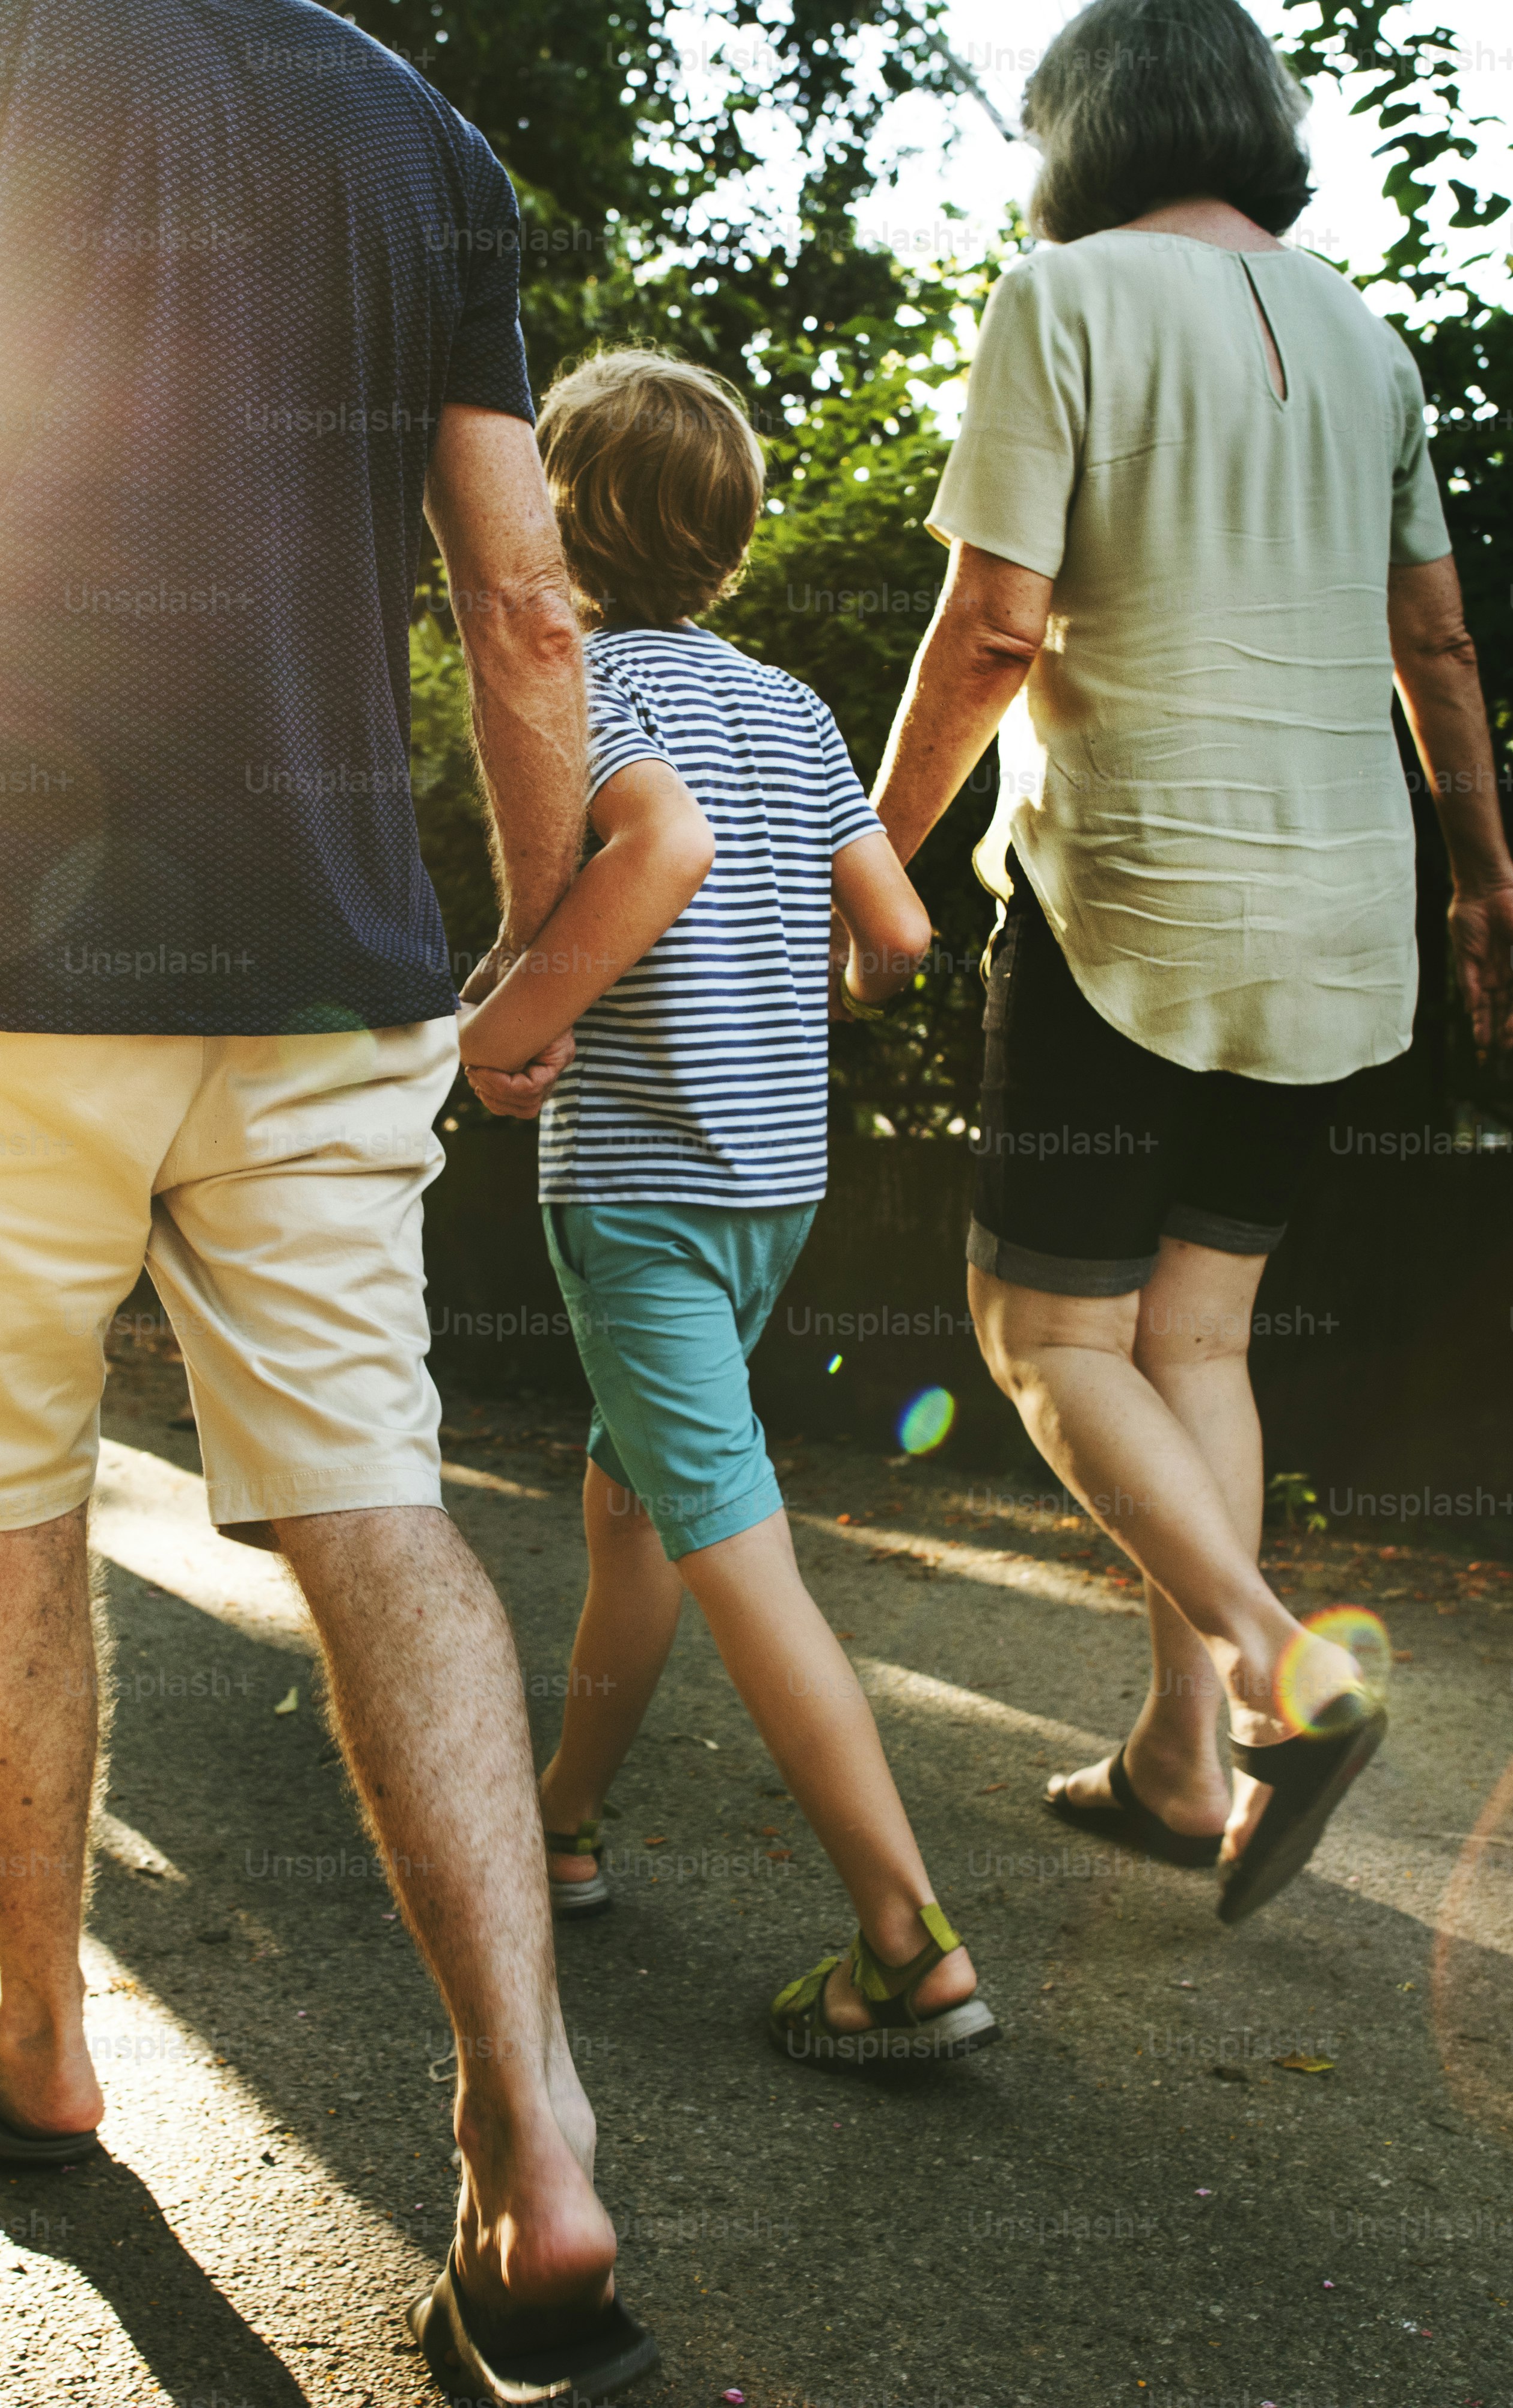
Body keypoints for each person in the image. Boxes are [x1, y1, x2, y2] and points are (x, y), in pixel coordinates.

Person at [0, 3, 646, 2395]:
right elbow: (523, 596)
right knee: (372, 1503)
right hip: (327, 951)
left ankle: (41, 2044)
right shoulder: (415, 131)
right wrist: (530, 940)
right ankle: (535, 2151)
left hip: (6, 942)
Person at [868, 0, 1513, 1923]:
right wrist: (1485, 882)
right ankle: (1177, 1761)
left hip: (1128, 895)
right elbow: (1442, 645)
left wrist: (869, 847)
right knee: (1198, 1337)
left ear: (1083, 128)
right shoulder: (1364, 332)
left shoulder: (1062, 294)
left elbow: (996, 624)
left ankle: (1276, 1663)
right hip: (1336, 904)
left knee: (1042, 1334)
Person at [457, 351, 995, 2068]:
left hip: (642, 1197)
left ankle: (907, 1945)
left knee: (730, 1544)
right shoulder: (794, 709)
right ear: (734, 536)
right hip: (776, 1187)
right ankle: (564, 1818)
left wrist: (508, 1026)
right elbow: (901, 934)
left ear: (562, 513)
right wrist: (790, 996)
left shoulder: (582, 685)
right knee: (637, 1513)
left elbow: (658, 855)